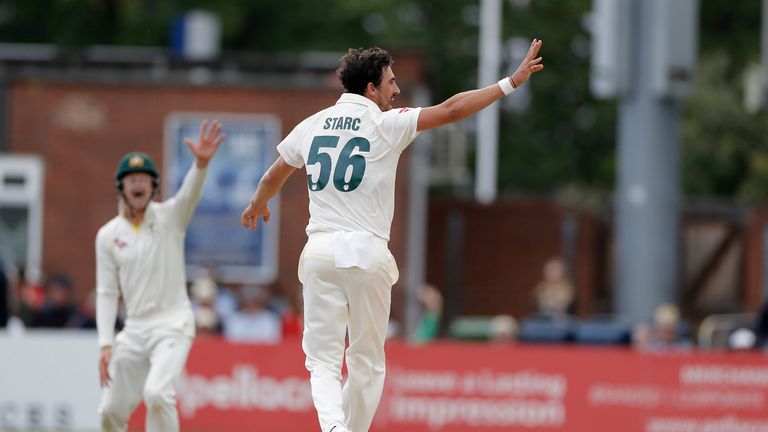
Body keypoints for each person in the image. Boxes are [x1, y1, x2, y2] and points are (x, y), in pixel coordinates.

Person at [241, 41, 543, 432]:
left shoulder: (312, 124)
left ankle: (333, 426)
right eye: (390, 82)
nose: (396, 90)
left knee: (322, 362)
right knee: (366, 361)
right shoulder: (386, 123)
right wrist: (510, 83)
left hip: (319, 252)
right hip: (366, 252)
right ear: (371, 88)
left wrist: (258, 204)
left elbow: (273, 175)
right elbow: (453, 109)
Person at [95, 119, 224, 432]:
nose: (137, 184)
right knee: (109, 412)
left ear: (153, 186)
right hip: (135, 329)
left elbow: (188, 195)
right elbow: (107, 292)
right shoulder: (108, 235)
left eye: (143, 178)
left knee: (157, 394)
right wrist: (105, 343)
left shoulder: (169, 218)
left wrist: (201, 164)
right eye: (131, 179)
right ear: (122, 187)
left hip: (172, 324)